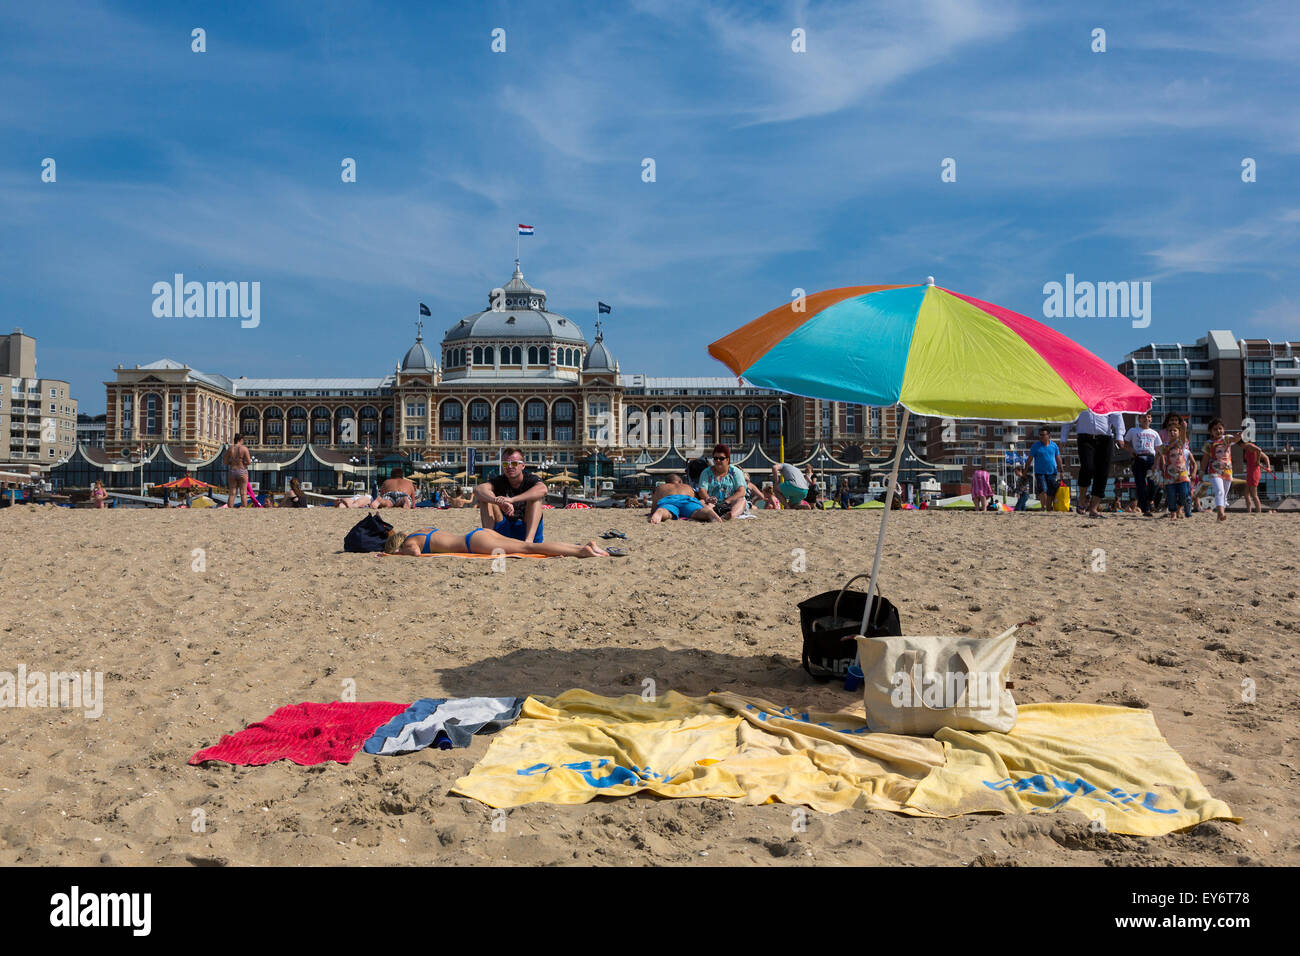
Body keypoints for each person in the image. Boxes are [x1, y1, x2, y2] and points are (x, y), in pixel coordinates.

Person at [383, 526, 614, 558]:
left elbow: (414, 554)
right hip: (479, 533)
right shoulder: (421, 530)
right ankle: (583, 547)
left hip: (474, 544)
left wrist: (393, 556)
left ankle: (581, 551)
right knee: (527, 546)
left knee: (529, 547)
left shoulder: (410, 543)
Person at [1061, 409, 1125, 518]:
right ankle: (1081, 499)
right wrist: (1063, 437)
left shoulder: (1107, 399)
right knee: (1087, 467)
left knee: (1102, 472)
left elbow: (1117, 416)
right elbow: (1069, 416)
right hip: (1085, 438)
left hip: (1105, 438)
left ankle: (1094, 508)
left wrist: (1120, 436)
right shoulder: (1079, 398)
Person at [474, 446, 547, 541]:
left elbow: (543, 489)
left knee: (536, 499)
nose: (509, 466)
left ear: (523, 465)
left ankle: (528, 543)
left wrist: (511, 500)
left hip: (527, 530)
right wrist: (499, 501)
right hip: (505, 531)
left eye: (514, 463)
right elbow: (478, 489)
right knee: (485, 499)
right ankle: (489, 539)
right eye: (505, 464)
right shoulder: (500, 480)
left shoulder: (530, 479)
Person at [1121, 412, 1163, 516]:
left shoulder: (1154, 433)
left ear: (1151, 419)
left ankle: (1150, 500)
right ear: (1139, 419)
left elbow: (1159, 450)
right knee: (1141, 485)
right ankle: (1146, 509)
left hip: (1150, 459)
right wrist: (1131, 450)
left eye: (1148, 417)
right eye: (1143, 417)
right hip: (1138, 458)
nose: (1146, 419)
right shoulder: (1133, 430)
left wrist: (1158, 463)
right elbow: (1124, 443)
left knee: (1153, 484)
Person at [696, 444, 748, 519]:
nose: (718, 461)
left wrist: (727, 501)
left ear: (727, 460)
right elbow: (702, 490)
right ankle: (712, 514)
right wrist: (708, 498)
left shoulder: (735, 472)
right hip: (712, 504)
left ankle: (730, 515)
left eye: (721, 458)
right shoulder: (706, 472)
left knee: (742, 501)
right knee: (701, 502)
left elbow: (741, 492)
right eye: (715, 458)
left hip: (730, 504)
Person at [1200, 418, 1237, 522]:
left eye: (1220, 428)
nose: (1218, 431)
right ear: (1211, 431)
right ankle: (1221, 513)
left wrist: (1239, 436)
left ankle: (1219, 516)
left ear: (1224, 429)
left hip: (1228, 471)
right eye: (1215, 429)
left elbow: (1235, 439)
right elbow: (1205, 459)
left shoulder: (1227, 439)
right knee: (1219, 491)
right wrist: (1201, 472)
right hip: (1214, 471)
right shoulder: (1208, 443)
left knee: (1224, 494)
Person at [1156, 419, 1193, 521]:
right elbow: (1158, 455)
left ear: (1179, 432)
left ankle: (1187, 512)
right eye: (1170, 431)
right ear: (1167, 433)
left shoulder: (1181, 443)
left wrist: (1184, 427)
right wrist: (1155, 467)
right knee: (1171, 495)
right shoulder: (1165, 446)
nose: (1172, 432)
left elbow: (1183, 436)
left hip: (1182, 475)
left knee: (1184, 494)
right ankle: (1173, 513)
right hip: (1169, 476)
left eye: (1175, 430)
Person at [649, 474, 720, 523]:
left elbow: (655, 504)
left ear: (667, 482)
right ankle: (708, 513)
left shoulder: (662, 487)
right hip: (687, 499)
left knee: (668, 512)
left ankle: (661, 512)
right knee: (696, 512)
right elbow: (695, 499)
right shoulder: (687, 486)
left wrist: (654, 511)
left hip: (670, 500)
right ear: (680, 481)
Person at [1029, 426, 1064, 511]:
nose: (1041, 436)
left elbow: (1058, 458)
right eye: (1040, 435)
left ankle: (1048, 507)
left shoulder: (1054, 445)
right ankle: (1043, 507)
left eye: (1043, 435)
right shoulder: (1035, 446)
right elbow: (1029, 459)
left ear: (1049, 435)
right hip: (1039, 472)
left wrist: (1062, 470)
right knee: (1043, 489)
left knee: (1051, 491)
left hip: (1052, 472)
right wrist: (1025, 470)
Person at [223, 434, 252, 508]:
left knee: (232, 492)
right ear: (241, 440)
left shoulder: (230, 449)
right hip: (242, 471)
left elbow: (225, 462)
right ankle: (244, 508)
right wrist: (243, 462)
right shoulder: (244, 448)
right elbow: (249, 462)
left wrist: (231, 462)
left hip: (233, 471)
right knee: (243, 492)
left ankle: (230, 508)